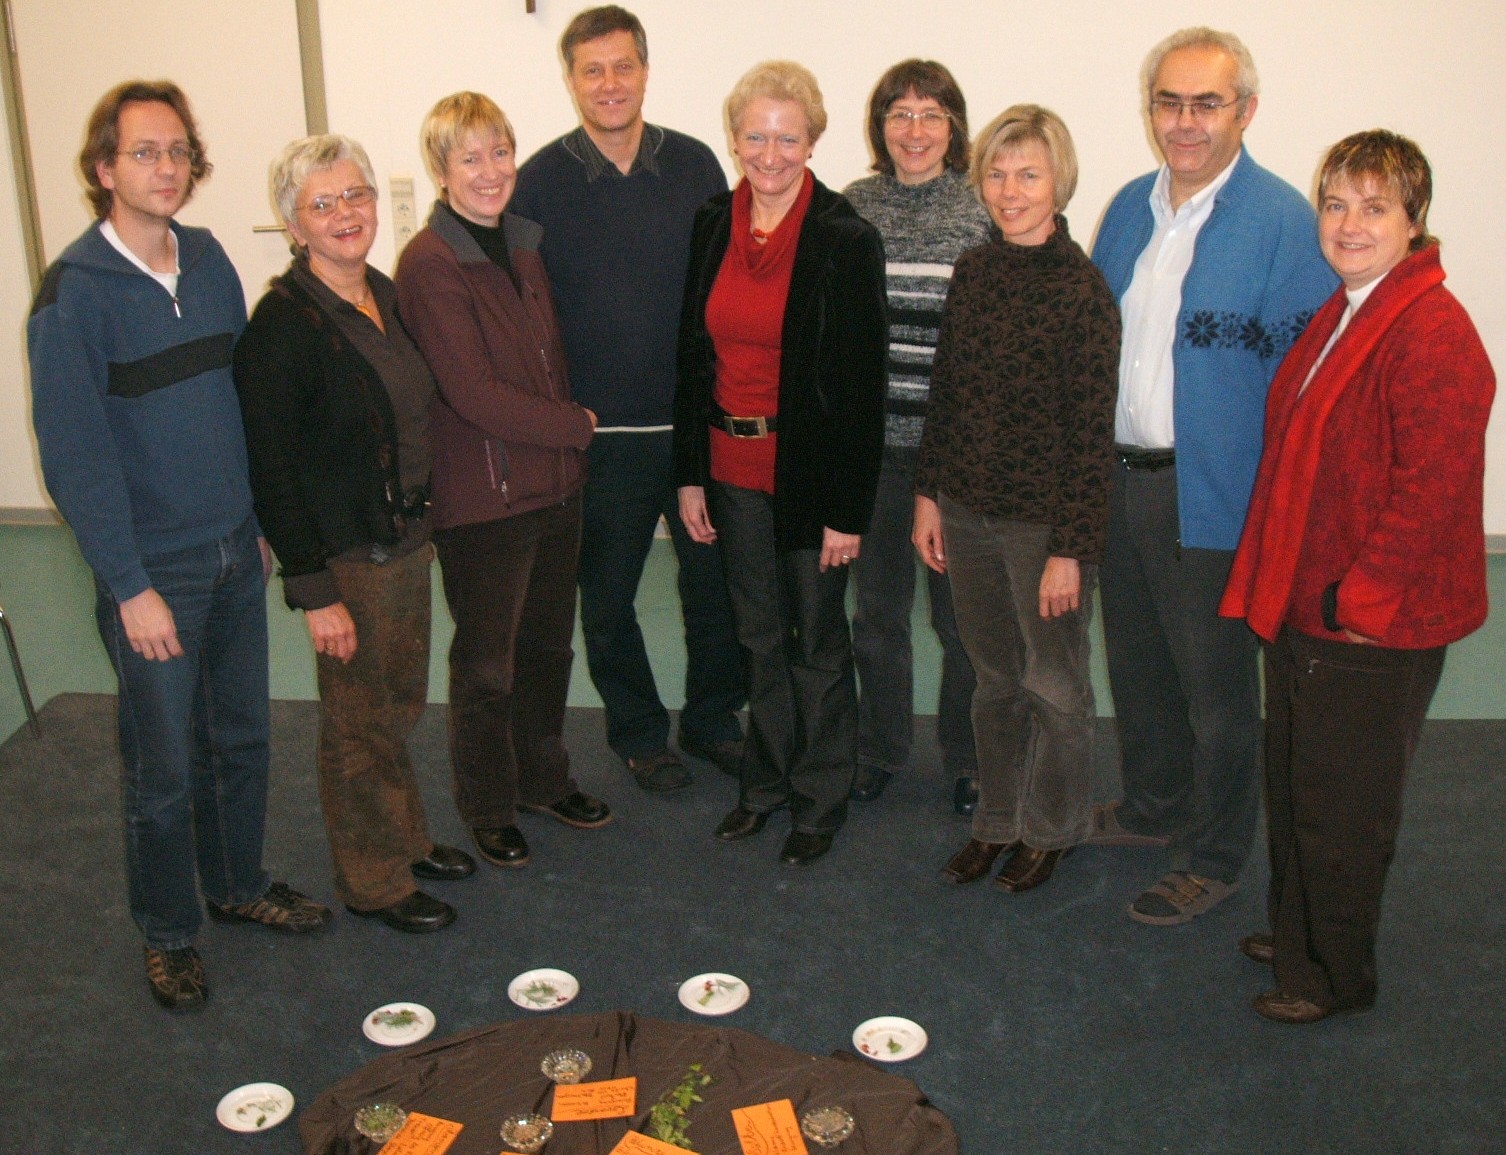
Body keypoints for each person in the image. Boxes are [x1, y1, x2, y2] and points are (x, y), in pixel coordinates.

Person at [27, 81, 330, 1011]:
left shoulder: (207, 260)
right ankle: (168, 931)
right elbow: (75, 460)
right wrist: (129, 585)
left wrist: (262, 519)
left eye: (177, 151)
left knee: (241, 737)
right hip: (155, 572)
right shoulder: (74, 297)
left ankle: (237, 884)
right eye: (143, 152)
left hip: (236, 546)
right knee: (160, 769)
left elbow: (243, 401)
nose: (165, 168)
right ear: (103, 168)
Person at [1220, 131, 1494, 1023]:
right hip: (1311, 605)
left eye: (1375, 207)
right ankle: (1298, 932)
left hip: (1370, 623)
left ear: (1414, 220)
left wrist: (1358, 601)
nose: (1349, 223)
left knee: (1344, 809)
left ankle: (1333, 976)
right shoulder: (1349, 309)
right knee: (1299, 784)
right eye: (1336, 204)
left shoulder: (1433, 331)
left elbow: (1432, 489)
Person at [1088, 28, 1337, 924]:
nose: (1184, 121)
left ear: (1246, 111)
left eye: (1207, 103)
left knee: (1219, 692)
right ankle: (1154, 805)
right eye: (1170, 101)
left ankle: (1215, 855)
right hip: (1121, 482)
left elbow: (1303, 385)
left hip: (1217, 497)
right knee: (1139, 668)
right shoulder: (1128, 208)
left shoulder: (1283, 222)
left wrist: (1278, 511)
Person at [234, 135, 477, 935]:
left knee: (395, 705)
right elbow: (272, 470)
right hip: (346, 558)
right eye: (322, 203)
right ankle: (373, 880)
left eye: (356, 195)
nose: (345, 214)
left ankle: (406, 840)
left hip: (403, 542)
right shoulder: (281, 329)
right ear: (293, 224)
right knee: (356, 722)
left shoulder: (385, 293)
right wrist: (315, 592)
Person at [511, 5, 745, 795]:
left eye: (623, 66)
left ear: (645, 71)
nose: (609, 84)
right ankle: (640, 732)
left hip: (693, 429)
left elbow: (725, 284)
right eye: (592, 70)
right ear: (571, 79)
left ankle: (714, 719)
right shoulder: (538, 182)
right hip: (599, 436)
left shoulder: (696, 165)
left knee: (713, 591)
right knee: (607, 601)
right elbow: (524, 311)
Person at [673, 61, 886, 866]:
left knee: (818, 642)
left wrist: (847, 512)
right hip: (730, 467)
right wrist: (689, 473)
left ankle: (820, 795)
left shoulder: (844, 237)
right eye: (756, 136)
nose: (770, 154)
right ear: (734, 139)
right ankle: (764, 784)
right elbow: (692, 356)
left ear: (813, 142)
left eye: (787, 138)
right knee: (757, 635)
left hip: (808, 475)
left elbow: (861, 389)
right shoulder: (711, 223)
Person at [395, 92, 611, 873]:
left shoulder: (521, 243)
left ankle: (543, 780)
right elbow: (473, 393)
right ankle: (488, 805)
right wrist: (577, 426)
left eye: (499, 152)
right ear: (441, 170)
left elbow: (546, 359)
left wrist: (567, 450)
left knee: (547, 649)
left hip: (553, 487)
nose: (490, 171)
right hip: (484, 500)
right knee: (488, 665)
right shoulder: (429, 263)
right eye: (469, 158)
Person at [917, 106, 1119, 893]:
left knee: (1055, 684)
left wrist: (1071, 549)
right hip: (965, 510)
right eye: (998, 174)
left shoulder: (1083, 292)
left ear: (1058, 181)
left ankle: (1054, 825)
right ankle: (997, 820)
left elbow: (1091, 435)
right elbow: (946, 392)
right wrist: (928, 496)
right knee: (993, 678)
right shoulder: (974, 271)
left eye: (1028, 174)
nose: (1010, 190)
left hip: (1042, 528)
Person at [841, 60, 989, 813]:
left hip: (954, 457)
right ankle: (881, 750)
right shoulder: (853, 207)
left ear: (954, 127)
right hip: (874, 454)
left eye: (932, 114)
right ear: (881, 126)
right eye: (900, 113)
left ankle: (968, 758)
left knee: (961, 621)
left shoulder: (981, 208)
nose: (916, 129)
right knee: (877, 615)